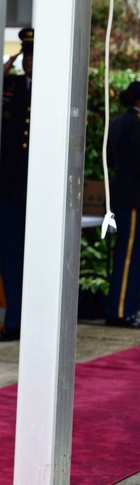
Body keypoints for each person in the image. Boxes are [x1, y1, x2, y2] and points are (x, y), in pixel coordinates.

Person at [0, 27, 34, 342]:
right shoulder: (9, 86)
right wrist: (3, 69)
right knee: (11, 256)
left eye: (34, 56)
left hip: (39, 191)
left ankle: (37, 323)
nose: (29, 62)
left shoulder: (54, 88)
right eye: (26, 56)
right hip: (11, 189)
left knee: (38, 259)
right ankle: (15, 321)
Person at [105, 81, 140, 328]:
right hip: (133, 197)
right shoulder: (134, 124)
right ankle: (120, 311)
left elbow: (108, 158)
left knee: (128, 254)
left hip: (122, 195)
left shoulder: (117, 121)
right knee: (128, 256)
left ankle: (125, 309)